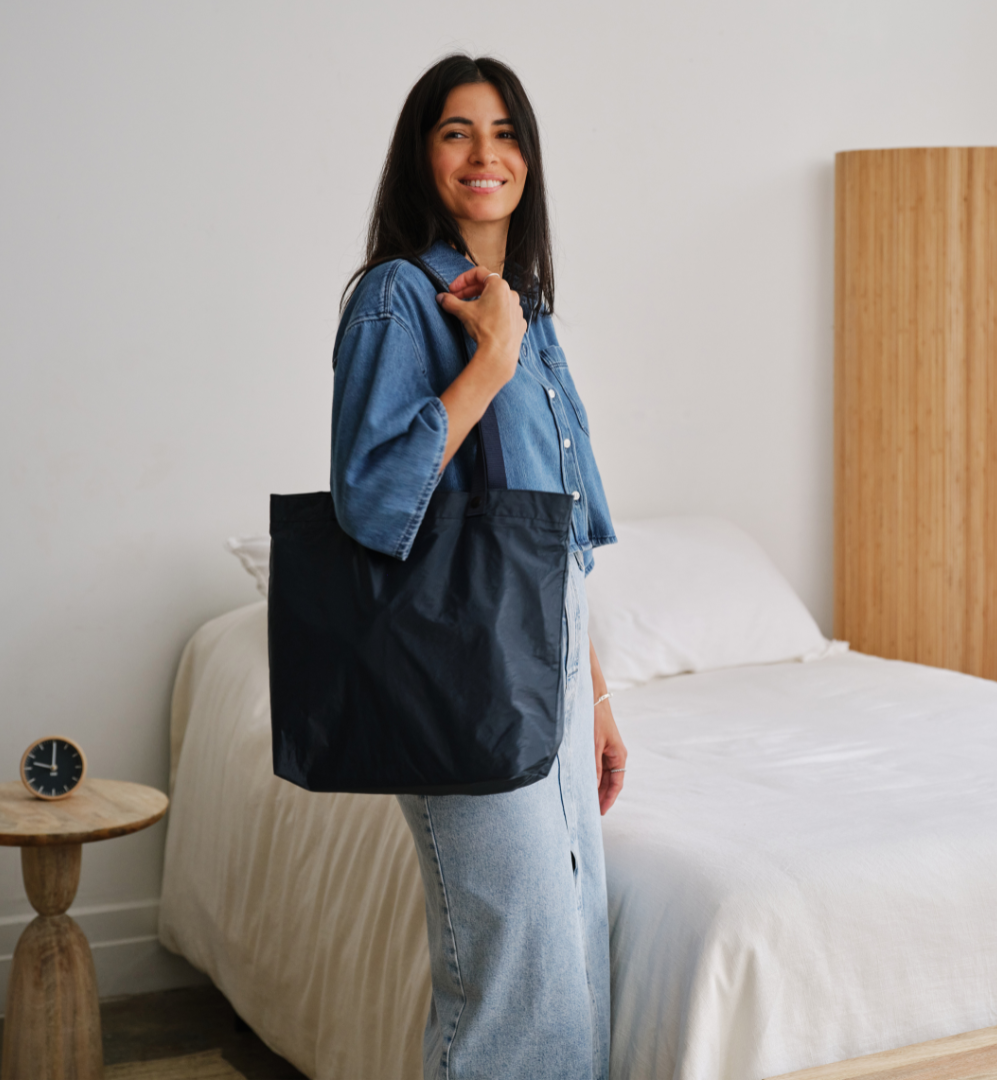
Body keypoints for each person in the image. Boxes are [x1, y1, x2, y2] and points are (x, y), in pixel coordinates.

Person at [331, 53, 627, 1080]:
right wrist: (488, 366)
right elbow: (370, 503)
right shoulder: (396, 301)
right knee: (515, 986)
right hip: (459, 677)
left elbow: (565, 536)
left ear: (529, 160)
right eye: (457, 131)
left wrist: (593, 697)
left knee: (574, 951)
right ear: (423, 155)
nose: (484, 153)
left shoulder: (528, 315)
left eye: (505, 132)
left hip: (546, 679)